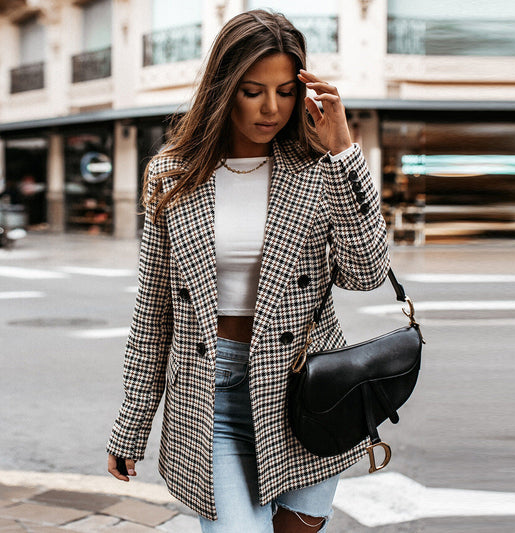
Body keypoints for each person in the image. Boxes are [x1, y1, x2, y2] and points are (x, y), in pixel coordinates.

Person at [107, 9, 390, 533]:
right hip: (209, 394)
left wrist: (346, 151)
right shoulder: (173, 173)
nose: (271, 108)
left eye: (286, 91)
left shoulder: (317, 169)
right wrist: (131, 426)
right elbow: (153, 312)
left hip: (305, 396)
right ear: (223, 88)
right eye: (253, 90)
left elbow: (366, 272)